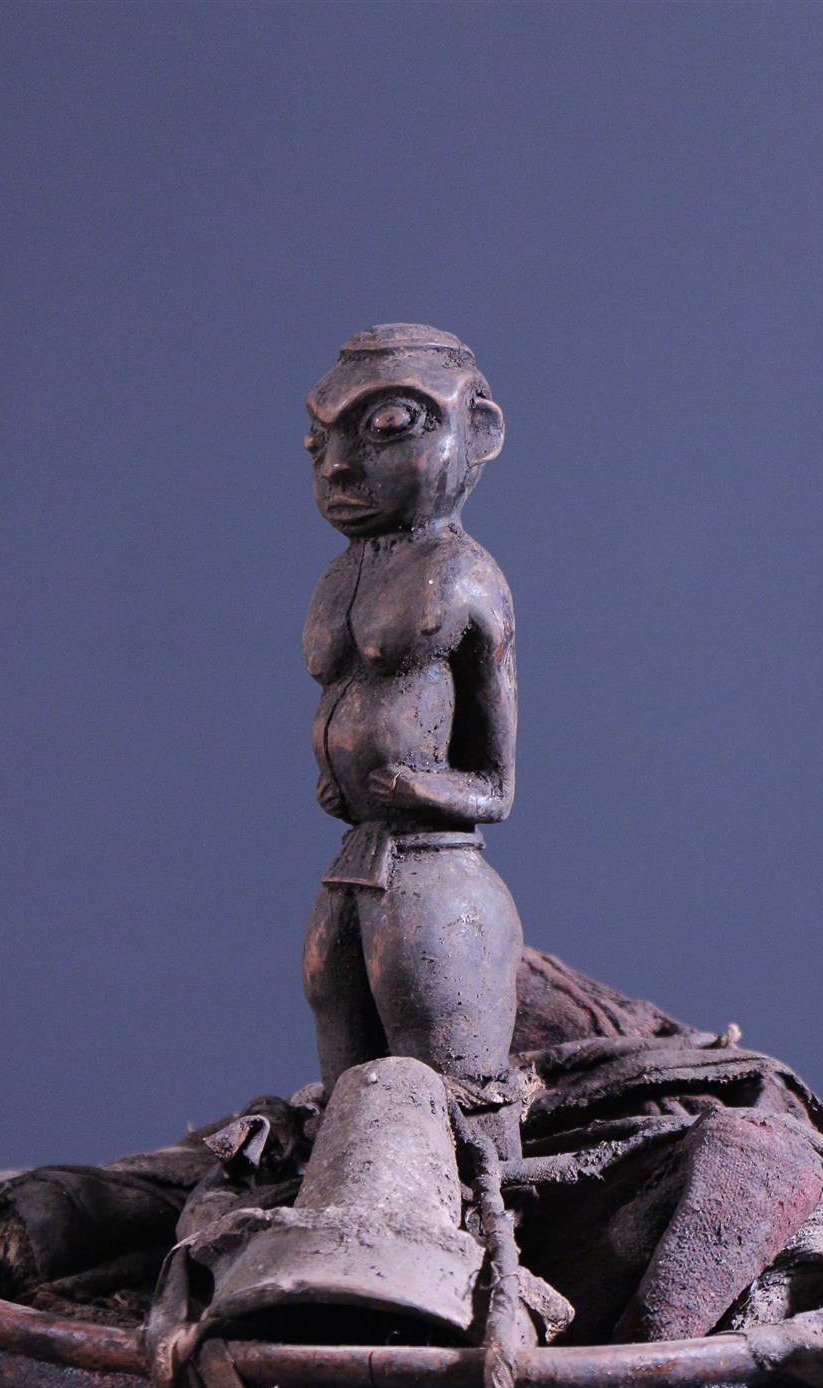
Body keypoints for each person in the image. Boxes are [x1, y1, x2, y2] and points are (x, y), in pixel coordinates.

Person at [301, 324, 523, 1151]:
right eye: (317, 442)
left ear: (479, 433)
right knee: (346, 1098)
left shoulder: (466, 574)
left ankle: (490, 1214)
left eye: (388, 427)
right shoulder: (347, 571)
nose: (337, 466)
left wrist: (425, 788)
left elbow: (497, 787)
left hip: (436, 871)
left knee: (456, 1105)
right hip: (355, 859)